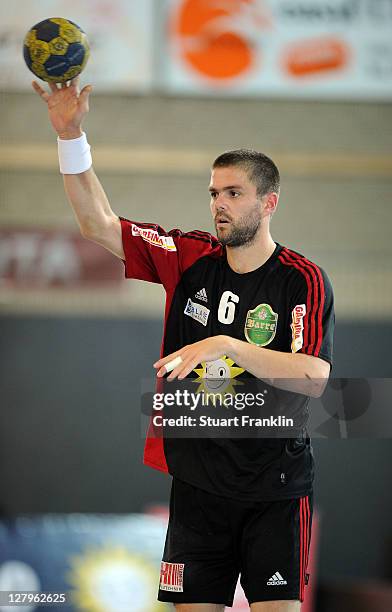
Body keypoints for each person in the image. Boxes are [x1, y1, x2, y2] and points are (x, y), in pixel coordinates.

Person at [33, 76, 334, 612]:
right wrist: (69, 134)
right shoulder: (189, 256)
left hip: (277, 489)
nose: (219, 204)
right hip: (198, 487)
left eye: (234, 193)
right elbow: (97, 223)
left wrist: (227, 345)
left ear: (269, 203)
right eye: (214, 193)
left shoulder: (300, 279)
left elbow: (314, 377)